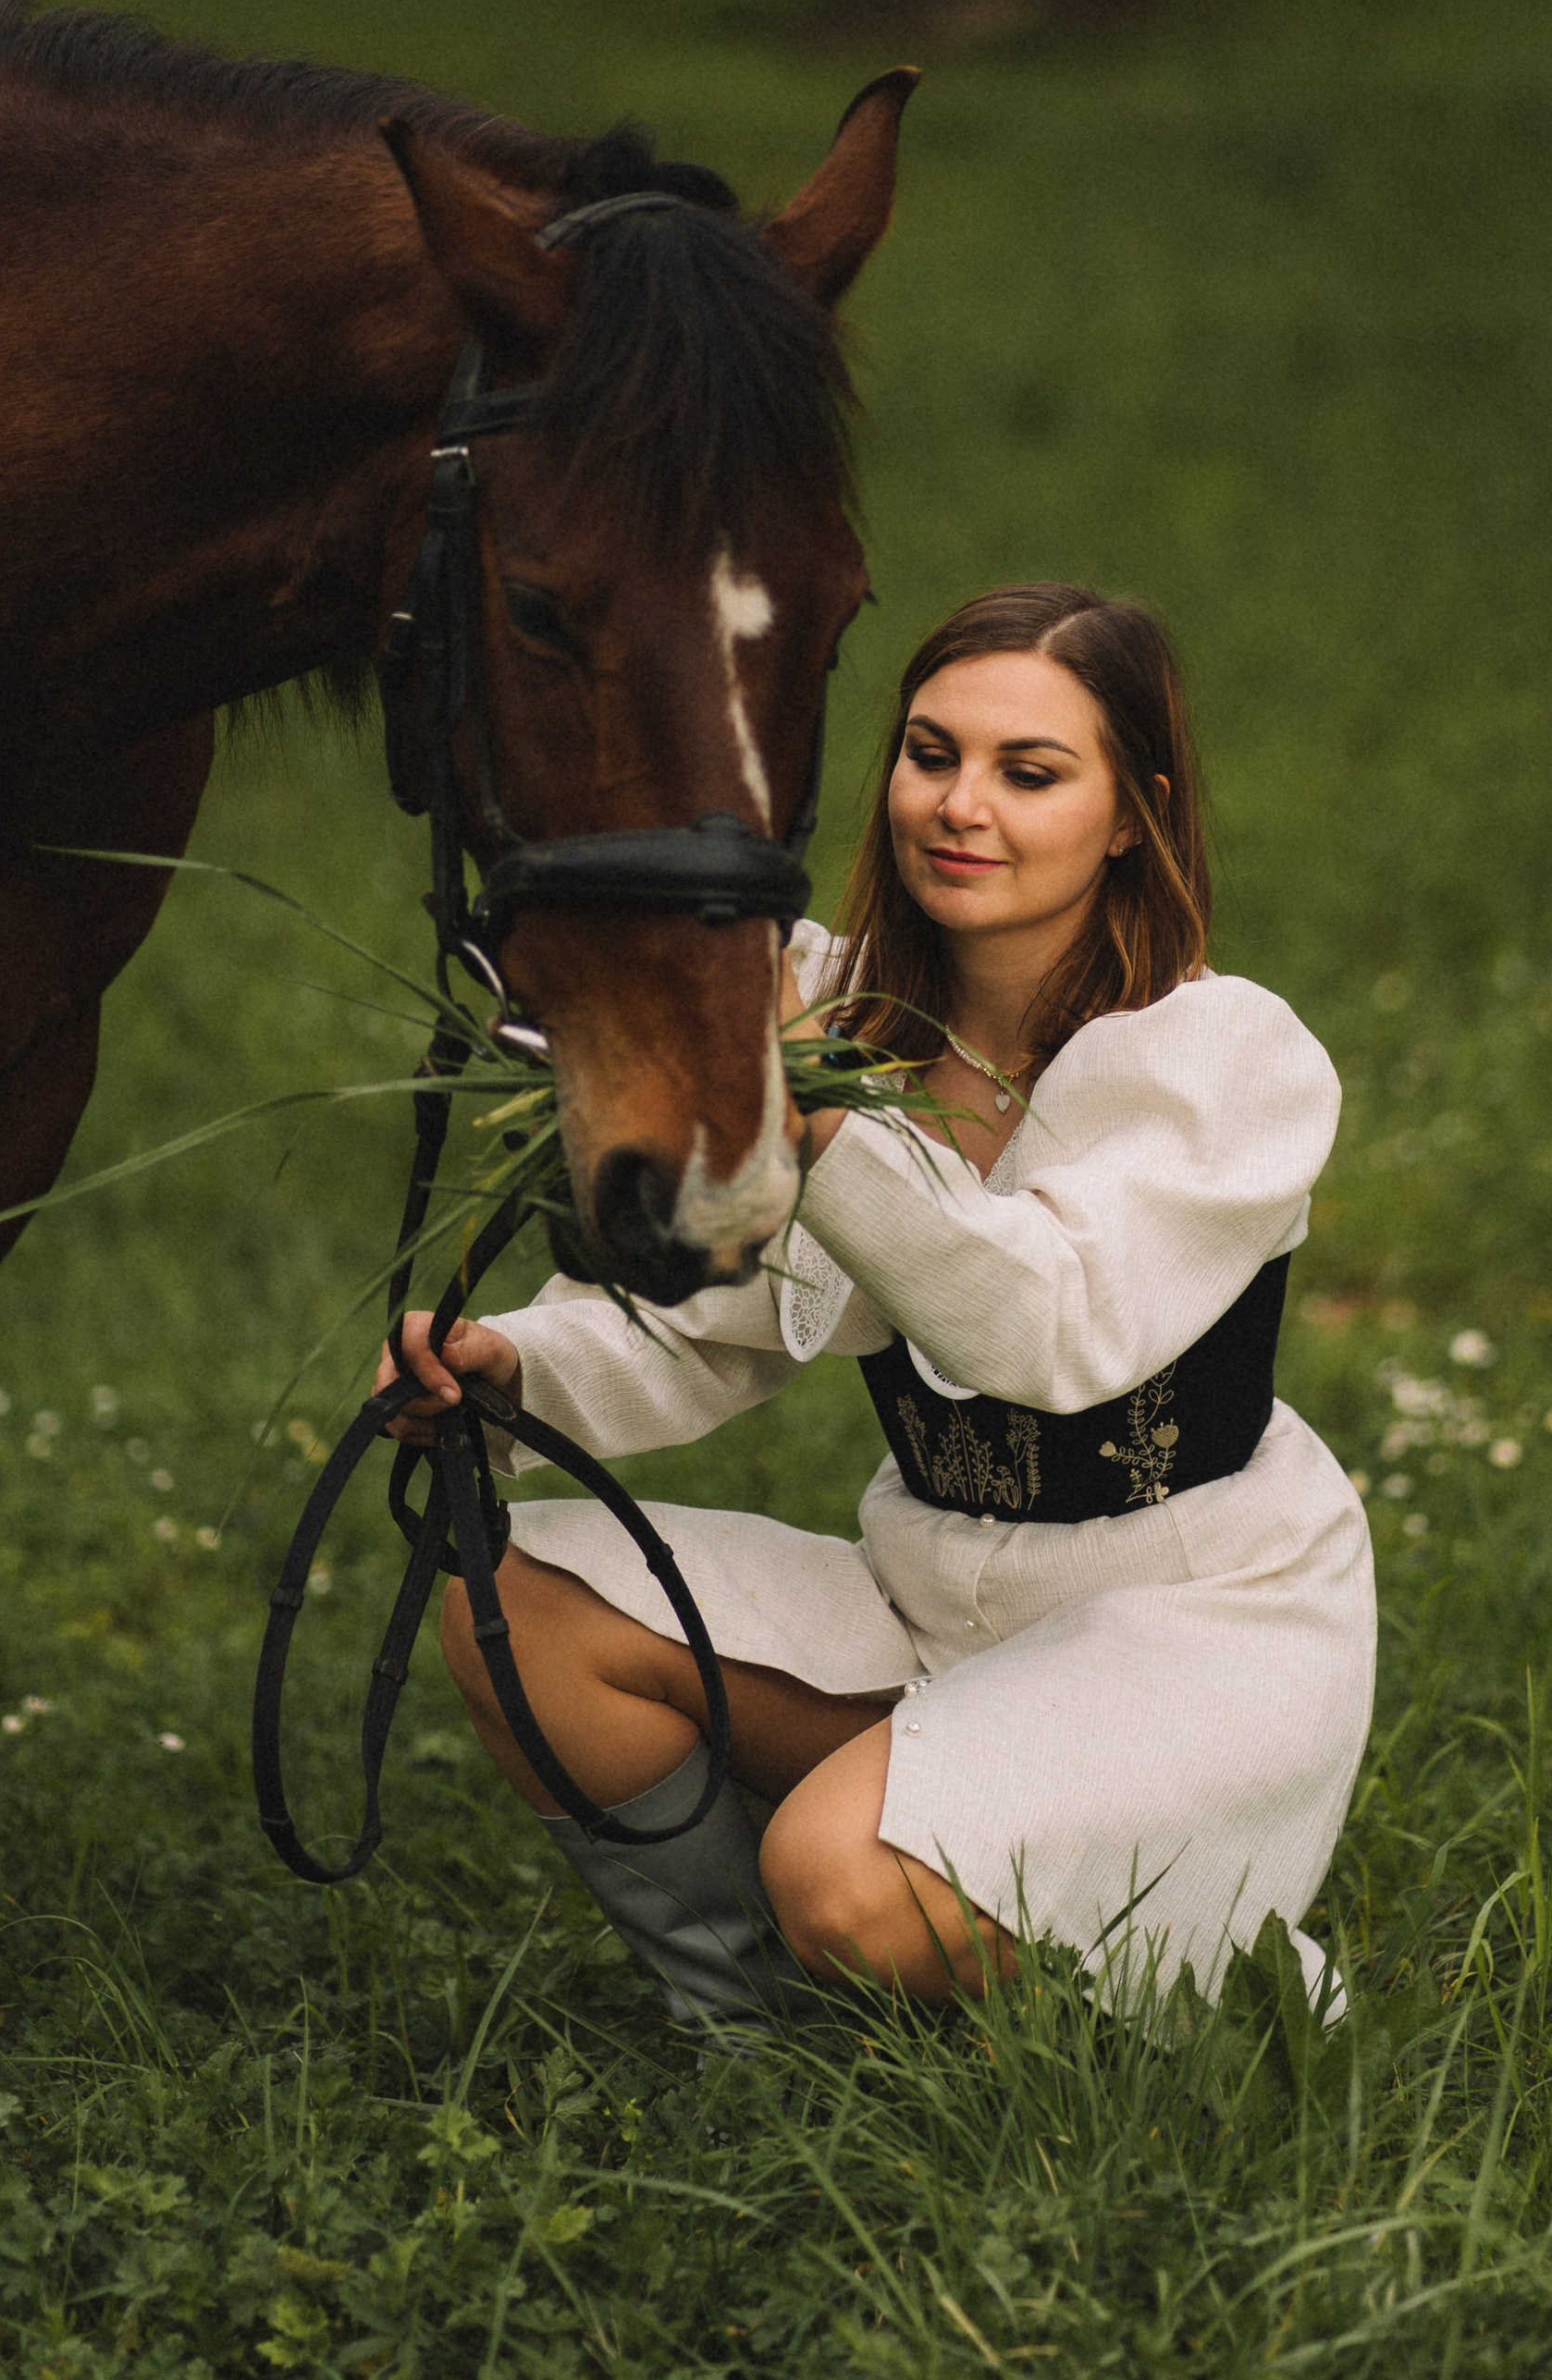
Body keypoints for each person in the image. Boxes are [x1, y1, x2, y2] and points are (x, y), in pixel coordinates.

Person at [382, 582, 1375, 2032]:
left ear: (1130, 815)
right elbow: (710, 1321)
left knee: (837, 1872)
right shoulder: (838, 1014)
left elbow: (1051, 1332)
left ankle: (1214, 1983)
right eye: (931, 755)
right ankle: (771, 2033)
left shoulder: (1221, 1058)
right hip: (930, 1597)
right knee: (511, 1605)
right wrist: (510, 1366)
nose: (960, 805)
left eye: (1029, 773)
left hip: (1192, 1622)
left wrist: (823, 1124)